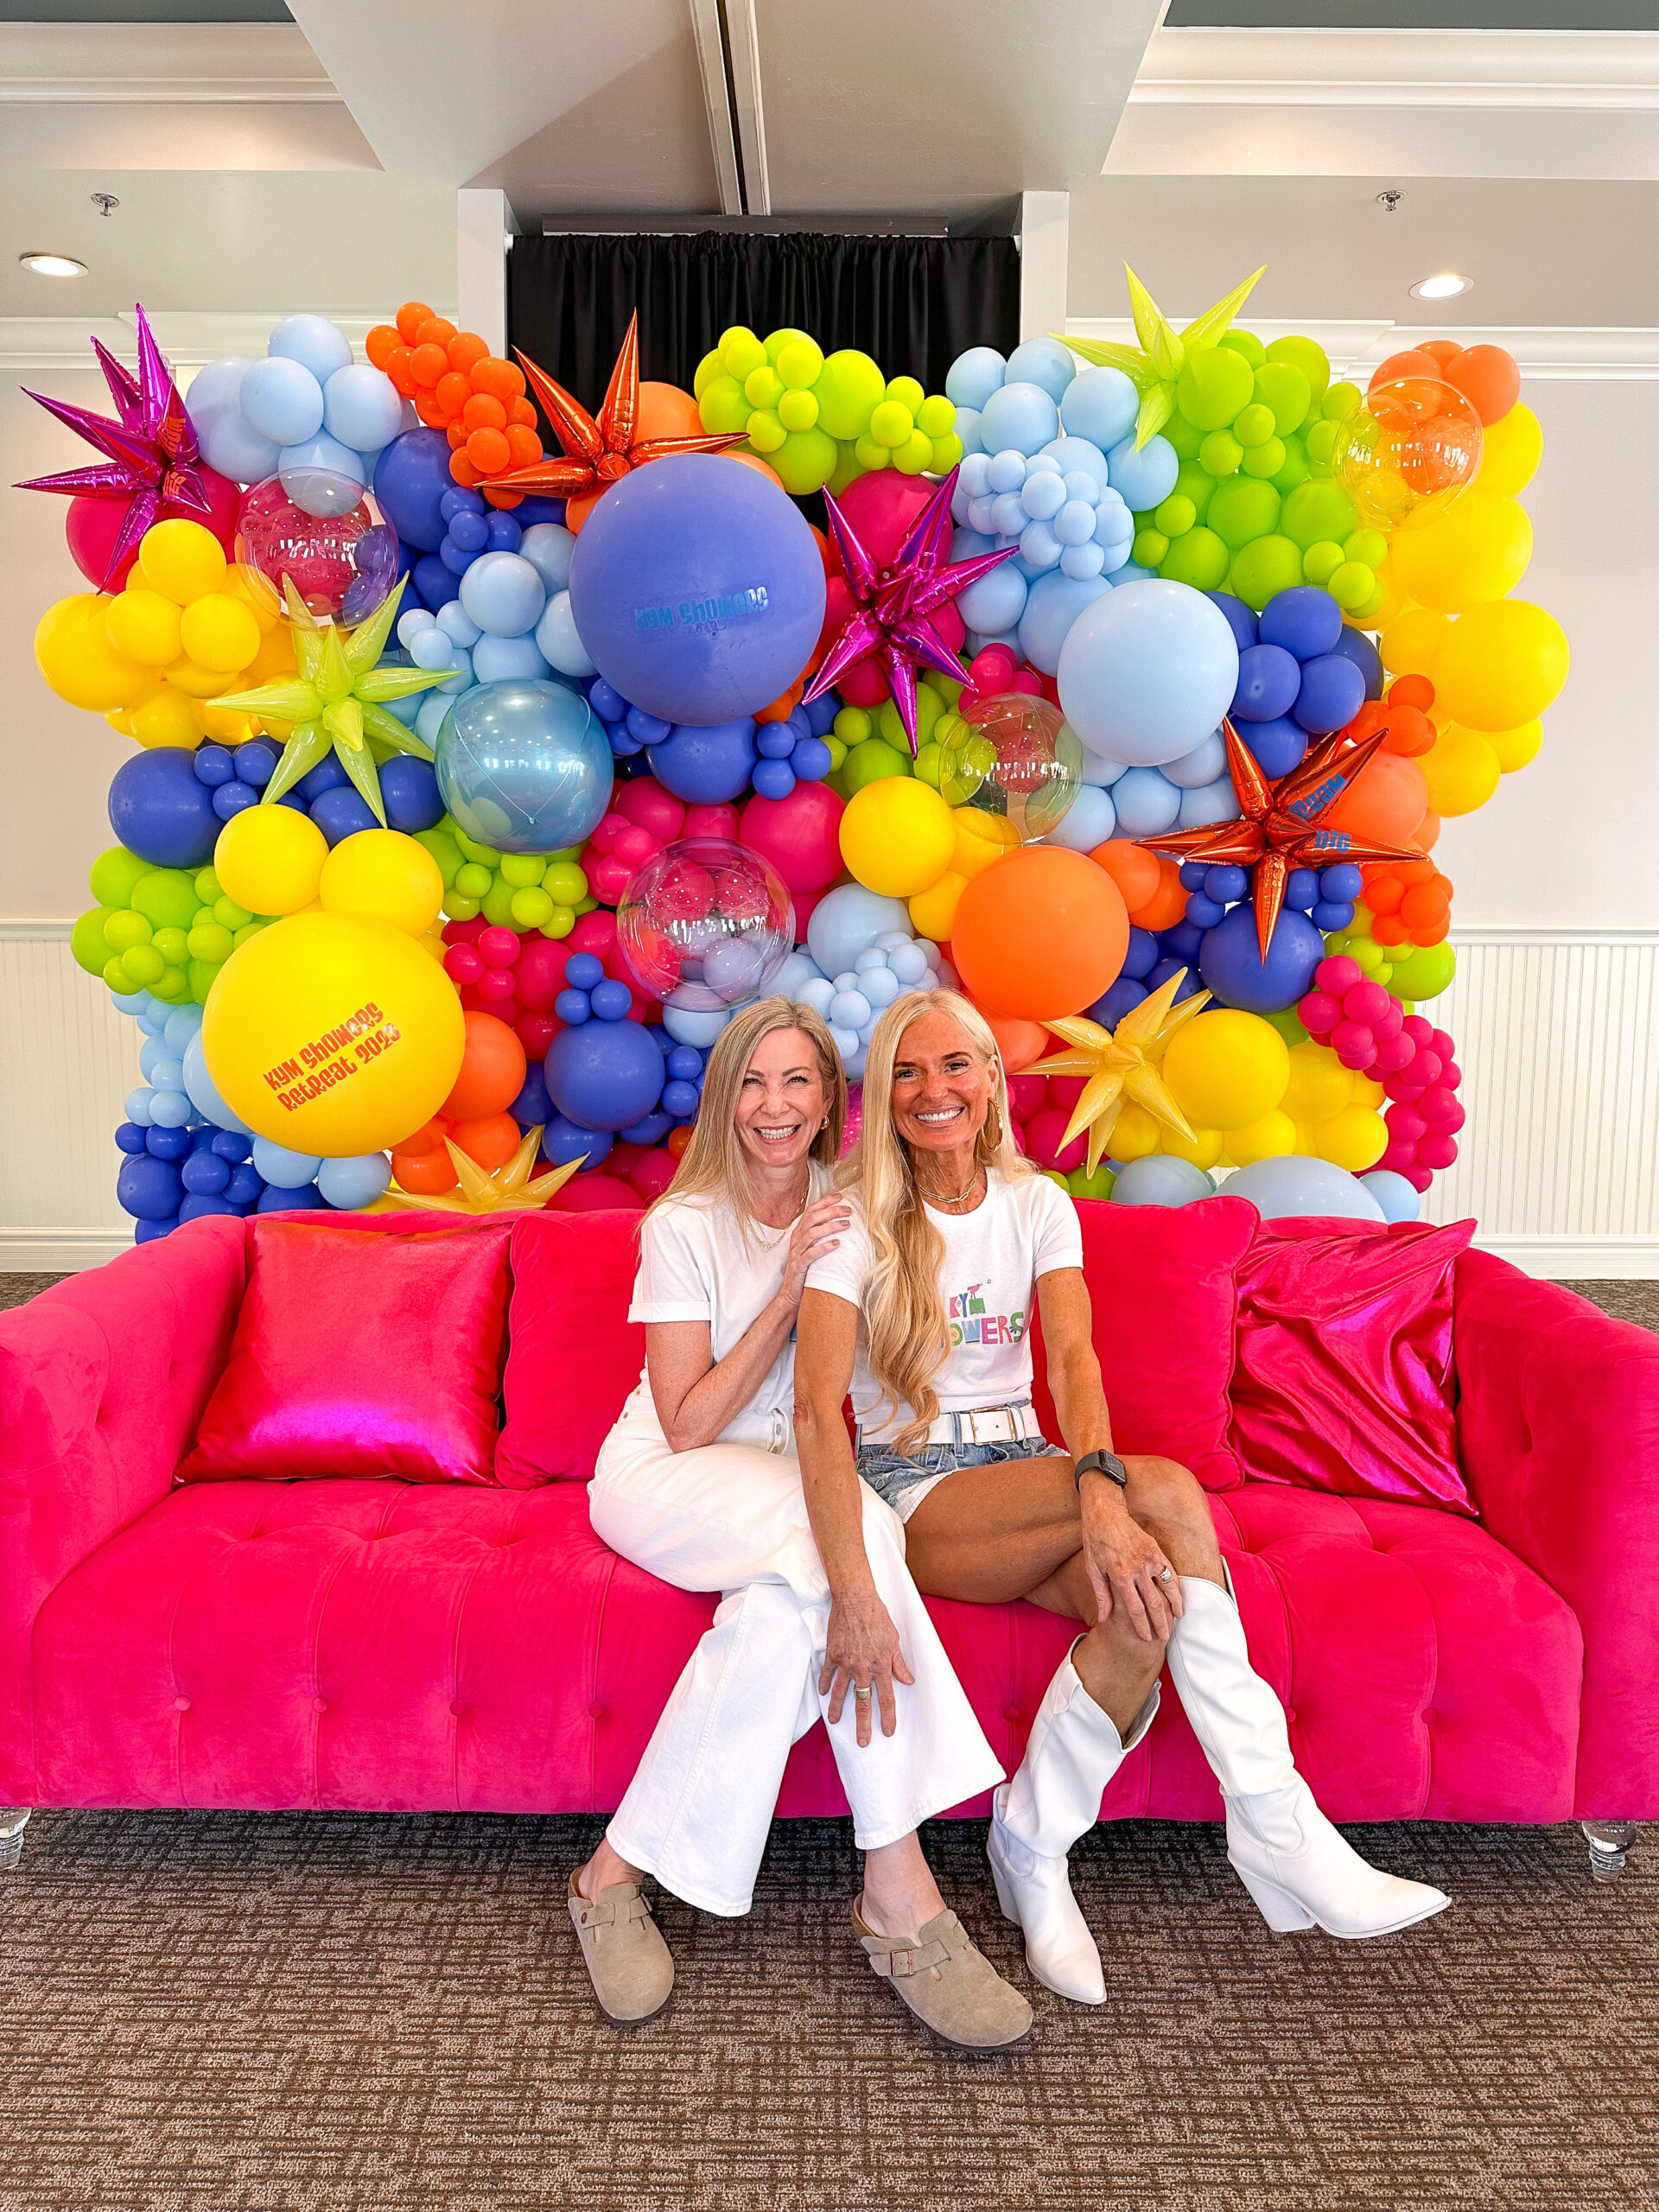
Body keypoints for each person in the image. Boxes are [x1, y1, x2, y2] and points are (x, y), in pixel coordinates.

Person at [794, 987, 1449, 2008]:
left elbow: (1073, 1355)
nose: (934, 1090)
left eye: (954, 1065)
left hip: (1030, 1464)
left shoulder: (1035, 1202)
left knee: (1147, 1608)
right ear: (882, 1096)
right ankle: (1277, 1822)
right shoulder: (851, 1220)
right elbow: (813, 1410)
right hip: (916, 1488)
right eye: (908, 1073)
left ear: (991, 1079)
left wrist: (1094, 1490)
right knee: (1172, 1492)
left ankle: (1032, 1849)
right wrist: (1105, 1494)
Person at [569, 996, 1032, 2052]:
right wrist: (784, 1294)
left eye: (799, 1082)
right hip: (669, 1476)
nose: (775, 1106)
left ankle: (611, 1874)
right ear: (726, 1098)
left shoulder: (858, 1200)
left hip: (788, 1485)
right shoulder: (682, 1225)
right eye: (753, 1082)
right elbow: (685, 1424)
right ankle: (903, 1894)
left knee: (780, 1625)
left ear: (832, 1100)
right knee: (861, 1539)